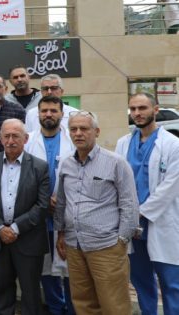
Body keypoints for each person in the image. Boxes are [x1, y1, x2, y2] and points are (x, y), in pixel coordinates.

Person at [54, 111, 139, 315]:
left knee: (114, 304)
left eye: (84, 128)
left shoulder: (116, 162)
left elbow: (129, 204)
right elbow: (62, 201)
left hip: (107, 246)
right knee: (83, 303)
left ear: (97, 131)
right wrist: (61, 233)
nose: (78, 133)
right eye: (73, 129)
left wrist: (121, 240)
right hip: (74, 245)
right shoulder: (66, 163)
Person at [0, 119, 50, 315]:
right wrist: (0, 228)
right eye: (6, 136)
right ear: (0, 139)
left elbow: (42, 205)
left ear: (25, 139)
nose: (10, 141)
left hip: (28, 238)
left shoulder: (40, 167)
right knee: (2, 288)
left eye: (15, 136)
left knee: (31, 292)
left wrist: (15, 228)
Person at [116, 93, 179, 315]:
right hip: (132, 226)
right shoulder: (123, 143)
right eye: (133, 109)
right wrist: (128, 215)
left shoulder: (173, 144)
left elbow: (170, 187)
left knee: (171, 284)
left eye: (142, 108)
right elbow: (118, 181)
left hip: (161, 222)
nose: (137, 113)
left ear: (156, 109)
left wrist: (139, 212)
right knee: (141, 282)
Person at [24, 96, 75, 315]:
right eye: (44, 110)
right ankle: (55, 308)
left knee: (71, 267)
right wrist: (44, 200)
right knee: (46, 267)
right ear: (38, 114)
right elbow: (23, 177)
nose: (48, 114)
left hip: (69, 212)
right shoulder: (28, 141)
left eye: (53, 111)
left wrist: (61, 200)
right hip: (39, 212)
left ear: (62, 114)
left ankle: (73, 309)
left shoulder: (73, 139)